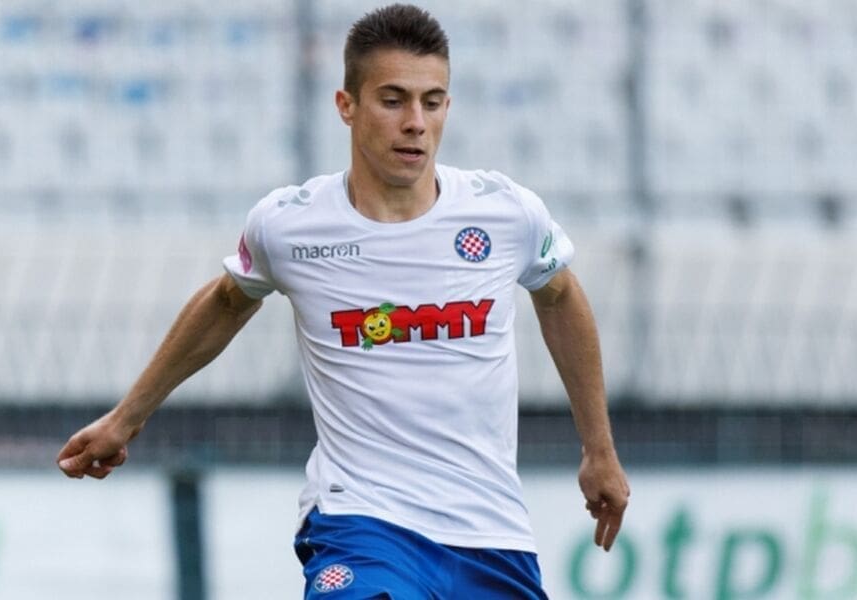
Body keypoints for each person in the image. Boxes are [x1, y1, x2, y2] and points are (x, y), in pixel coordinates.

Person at [55, 4, 630, 598]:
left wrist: (599, 450)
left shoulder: (504, 214)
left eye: (432, 102)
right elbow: (227, 302)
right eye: (393, 100)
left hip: (491, 531)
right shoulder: (291, 226)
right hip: (362, 521)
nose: (416, 123)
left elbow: (559, 296)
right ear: (346, 105)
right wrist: (126, 419)